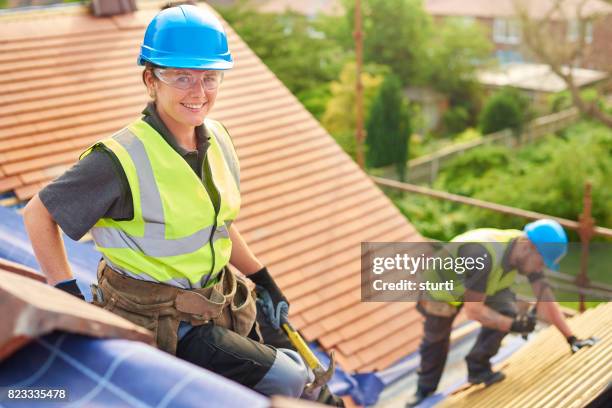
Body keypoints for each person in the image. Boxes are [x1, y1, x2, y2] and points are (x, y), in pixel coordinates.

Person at [23, 5, 341, 405]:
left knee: (301, 372)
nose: (198, 92)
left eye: (210, 77)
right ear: (150, 80)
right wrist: (66, 294)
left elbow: (217, 223)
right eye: (182, 77)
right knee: (289, 377)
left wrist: (261, 277)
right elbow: (38, 213)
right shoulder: (119, 159)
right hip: (162, 321)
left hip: (215, 302)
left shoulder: (217, 139)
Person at [406, 219, 596, 407]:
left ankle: (478, 368)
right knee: (436, 339)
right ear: (529, 247)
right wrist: (513, 326)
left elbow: (544, 296)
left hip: (480, 282)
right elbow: (474, 311)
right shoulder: (484, 254)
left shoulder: (521, 251)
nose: (540, 269)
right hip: (441, 288)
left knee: (507, 311)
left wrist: (571, 338)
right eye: (541, 263)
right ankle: (424, 390)